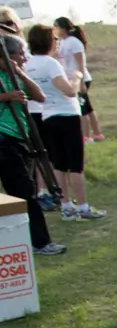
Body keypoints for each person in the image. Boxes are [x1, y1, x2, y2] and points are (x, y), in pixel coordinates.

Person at [23, 24, 103, 220]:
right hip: (66, 113)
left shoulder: (28, 64)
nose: (57, 43)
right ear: (49, 41)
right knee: (75, 164)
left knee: (58, 163)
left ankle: (66, 205)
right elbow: (69, 90)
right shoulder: (50, 63)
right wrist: (76, 77)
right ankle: (83, 207)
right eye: (55, 39)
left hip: (47, 114)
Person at [0, 34, 64, 254]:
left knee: (25, 192)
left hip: (21, 138)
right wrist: (6, 96)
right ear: (4, 57)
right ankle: (38, 242)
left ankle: (34, 241)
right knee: (24, 191)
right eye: (20, 54)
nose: (24, 59)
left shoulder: (16, 75)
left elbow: (40, 96)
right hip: (3, 138)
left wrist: (20, 73)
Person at [55, 17, 101, 141]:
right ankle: (98, 134)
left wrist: (81, 83)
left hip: (80, 78)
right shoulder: (63, 42)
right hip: (72, 78)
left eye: (56, 26)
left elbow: (80, 63)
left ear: (63, 28)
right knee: (88, 107)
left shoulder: (74, 42)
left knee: (82, 109)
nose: (55, 29)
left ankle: (86, 137)